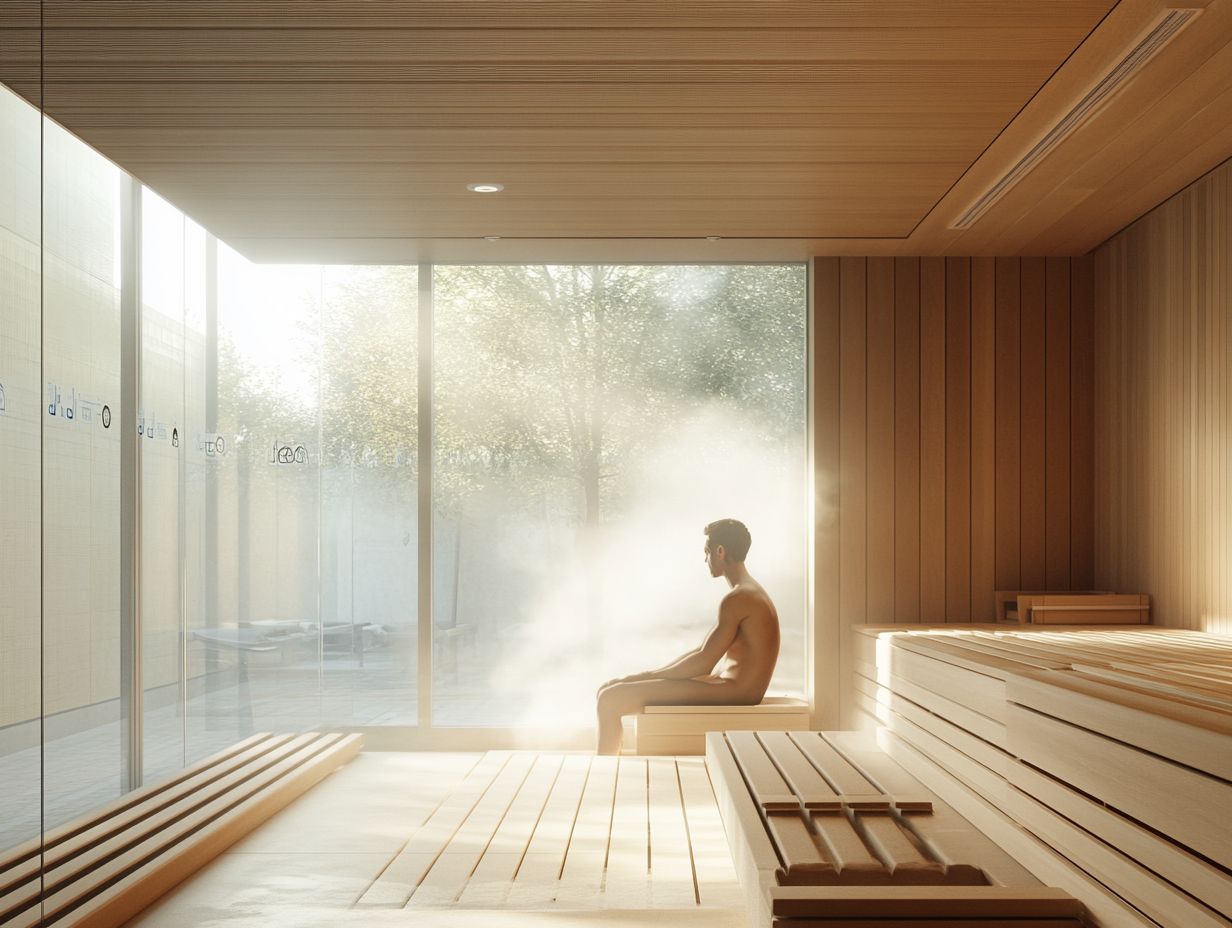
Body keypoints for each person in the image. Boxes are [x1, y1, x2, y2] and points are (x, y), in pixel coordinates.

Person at [594, 518, 780, 755]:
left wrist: (647, 676)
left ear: (720, 551)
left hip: (736, 692)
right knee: (608, 692)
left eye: (707, 553)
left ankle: (605, 769)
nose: (705, 560)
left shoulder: (740, 598)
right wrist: (644, 677)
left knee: (609, 699)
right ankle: (611, 761)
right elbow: (702, 651)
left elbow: (704, 662)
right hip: (730, 685)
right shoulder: (748, 592)